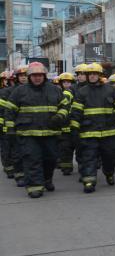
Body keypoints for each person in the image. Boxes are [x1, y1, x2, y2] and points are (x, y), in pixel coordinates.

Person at [6, 63, 68, 198]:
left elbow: (65, 106)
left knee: (50, 159)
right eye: (34, 75)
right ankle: (34, 186)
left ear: (44, 76)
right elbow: (10, 110)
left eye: (39, 75)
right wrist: (10, 128)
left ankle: (47, 179)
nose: (37, 78)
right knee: (32, 159)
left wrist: (59, 116)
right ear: (29, 77)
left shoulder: (54, 90)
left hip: (51, 132)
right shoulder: (19, 91)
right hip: (28, 133)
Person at [70, 63, 115, 193]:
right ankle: (89, 181)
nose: (92, 76)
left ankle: (109, 173)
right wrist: (75, 129)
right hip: (89, 132)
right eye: (90, 74)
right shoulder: (81, 92)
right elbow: (76, 112)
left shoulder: (110, 90)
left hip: (109, 132)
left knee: (109, 157)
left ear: (100, 75)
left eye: (95, 74)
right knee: (89, 157)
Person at [6, 66, 30, 186]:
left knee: (30, 153)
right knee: (17, 153)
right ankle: (19, 175)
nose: (24, 78)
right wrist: (10, 127)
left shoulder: (32, 90)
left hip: (30, 127)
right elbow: (9, 111)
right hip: (17, 127)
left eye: (26, 75)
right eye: (21, 76)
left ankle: (29, 174)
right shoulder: (11, 91)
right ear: (17, 78)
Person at [54, 72, 77, 177]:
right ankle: (66, 167)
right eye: (64, 82)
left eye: (69, 82)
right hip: (65, 124)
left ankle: (66, 167)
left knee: (66, 147)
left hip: (70, 122)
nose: (67, 84)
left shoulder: (67, 93)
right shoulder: (62, 93)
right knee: (65, 147)